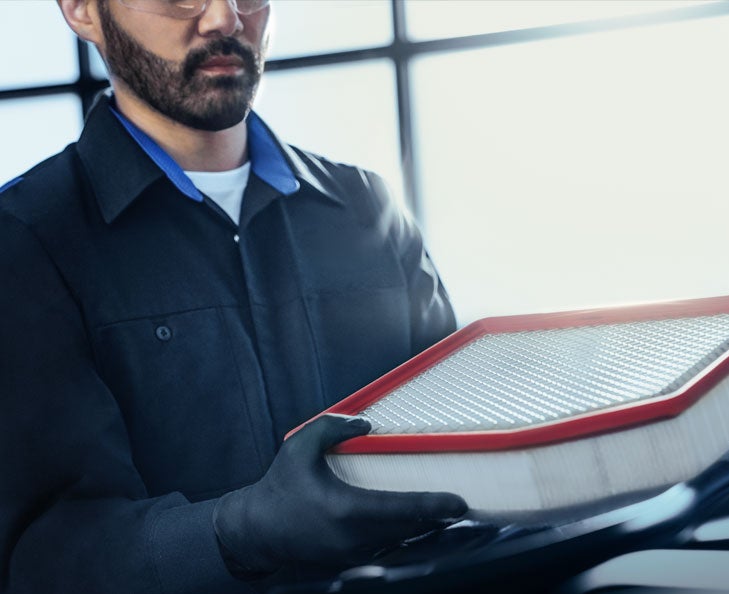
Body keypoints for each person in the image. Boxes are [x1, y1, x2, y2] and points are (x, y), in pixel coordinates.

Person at [0, 0, 468, 592]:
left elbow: (460, 445)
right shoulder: (23, 245)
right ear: (83, 11)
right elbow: (37, 559)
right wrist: (240, 530)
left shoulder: (367, 207)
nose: (224, 18)